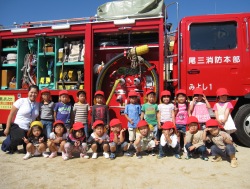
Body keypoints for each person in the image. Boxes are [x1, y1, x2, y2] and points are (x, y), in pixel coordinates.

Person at [4, 85, 40, 153]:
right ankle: (10, 140)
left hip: (29, 129)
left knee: (28, 150)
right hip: (18, 127)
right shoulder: (21, 101)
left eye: (35, 93)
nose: (33, 94)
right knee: (8, 145)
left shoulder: (38, 104)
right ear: (28, 92)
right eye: (31, 92)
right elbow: (11, 115)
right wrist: (7, 128)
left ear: (38, 93)